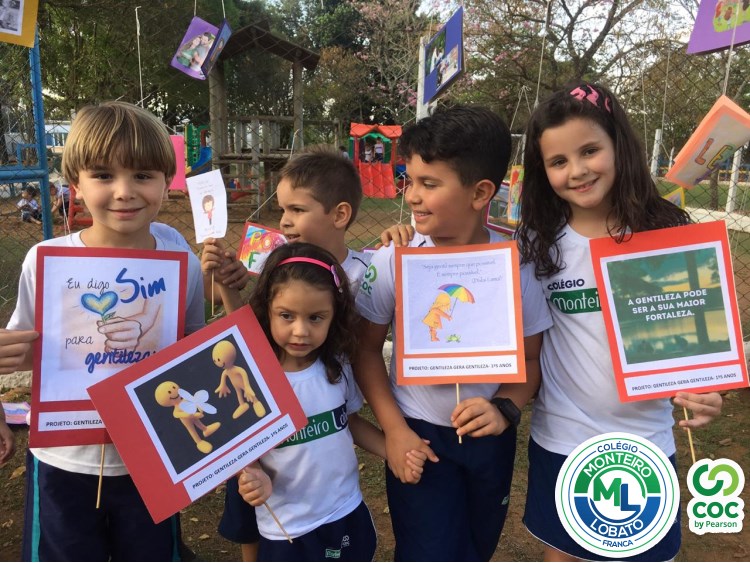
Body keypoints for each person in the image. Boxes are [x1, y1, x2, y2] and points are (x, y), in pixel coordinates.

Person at [515, 81, 723, 562]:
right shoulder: (536, 242)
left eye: (590, 151)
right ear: (542, 170)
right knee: (563, 555)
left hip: (646, 441)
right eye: (558, 161)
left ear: (618, 146)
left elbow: (700, 347)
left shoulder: (668, 231)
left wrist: (708, 390)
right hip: (562, 437)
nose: (577, 170)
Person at [1, 101, 205, 561]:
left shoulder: (183, 266)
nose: (124, 191)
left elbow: (191, 350)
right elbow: (28, 349)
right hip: (63, 458)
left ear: (166, 182)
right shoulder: (45, 261)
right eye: (103, 175)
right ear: (75, 182)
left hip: (151, 456)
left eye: (143, 175)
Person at [354, 105, 553, 561]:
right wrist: (395, 431)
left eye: (429, 184)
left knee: (477, 548)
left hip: (489, 440)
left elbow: (531, 359)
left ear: (480, 192)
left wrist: (504, 407)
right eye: (408, 180)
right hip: (419, 438)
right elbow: (365, 351)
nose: (411, 197)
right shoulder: (392, 260)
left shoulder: (516, 266)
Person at [203, 144, 377, 561]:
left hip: (334, 486)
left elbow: (350, 417)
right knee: (251, 516)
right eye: (283, 209)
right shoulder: (269, 265)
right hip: (277, 494)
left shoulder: (368, 273)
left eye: (296, 209)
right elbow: (246, 338)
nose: (283, 220)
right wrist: (226, 282)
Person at [229, 242, 426, 560]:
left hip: (345, 510)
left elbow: (347, 421)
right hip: (287, 528)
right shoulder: (255, 378)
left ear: (335, 316)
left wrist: (393, 450)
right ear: (267, 310)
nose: (300, 330)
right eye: (286, 315)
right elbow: (240, 446)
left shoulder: (338, 365)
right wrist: (251, 475)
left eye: (315, 318)